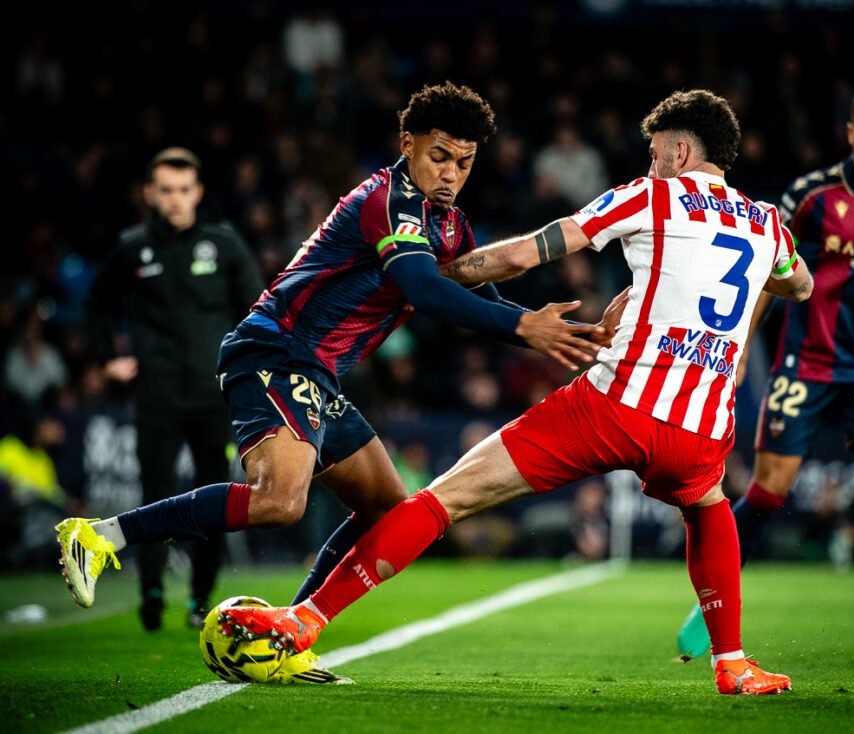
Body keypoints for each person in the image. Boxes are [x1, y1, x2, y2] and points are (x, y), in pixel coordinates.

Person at [218, 89, 814, 695]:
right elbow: (801, 285)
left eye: (656, 153)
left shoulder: (651, 195)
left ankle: (306, 618)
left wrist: (442, 273)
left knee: (445, 498)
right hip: (701, 423)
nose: (651, 163)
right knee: (708, 505)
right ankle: (732, 662)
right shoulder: (768, 224)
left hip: (616, 403)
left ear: (680, 152)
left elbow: (529, 252)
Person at [55, 82, 604, 683]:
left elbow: (480, 297)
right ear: (407, 144)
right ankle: (100, 536)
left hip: (317, 373)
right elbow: (424, 289)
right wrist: (523, 325)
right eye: (440, 156)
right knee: (279, 501)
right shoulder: (386, 200)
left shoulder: (447, 223)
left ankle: (286, 632)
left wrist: (568, 333)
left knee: (390, 510)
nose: (451, 174)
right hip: (275, 350)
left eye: (465, 162)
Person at [676, 86, 854, 663]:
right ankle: (709, 604)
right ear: (850, 132)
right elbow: (768, 270)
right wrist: (738, 348)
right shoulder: (812, 196)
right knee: (768, 491)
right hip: (805, 364)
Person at [85, 147, 263, 630]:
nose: (175, 199)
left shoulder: (224, 244)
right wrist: (107, 359)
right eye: (166, 190)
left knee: (215, 498)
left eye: (184, 190)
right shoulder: (133, 247)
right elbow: (98, 305)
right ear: (149, 193)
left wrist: (248, 370)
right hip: (156, 395)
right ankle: (152, 593)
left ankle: (201, 599)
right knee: (154, 495)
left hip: (213, 395)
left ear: (198, 192)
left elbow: (257, 307)